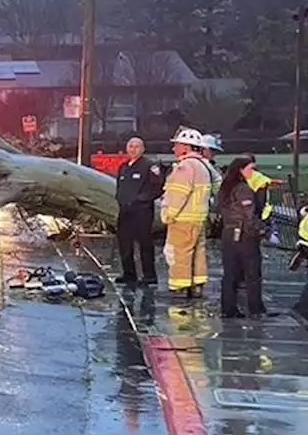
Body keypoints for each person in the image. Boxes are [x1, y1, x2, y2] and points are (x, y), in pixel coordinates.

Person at [215, 156, 272, 318]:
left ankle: (228, 308)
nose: (252, 172)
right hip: (244, 235)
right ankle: (256, 309)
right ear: (241, 170)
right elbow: (249, 216)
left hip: (228, 233)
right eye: (250, 169)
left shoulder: (225, 188)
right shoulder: (243, 189)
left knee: (230, 273)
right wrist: (263, 231)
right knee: (252, 273)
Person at [160, 127, 213, 299]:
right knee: (198, 253)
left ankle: (179, 288)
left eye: (176, 145)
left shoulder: (185, 167)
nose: (174, 148)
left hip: (183, 219)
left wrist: (169, 214)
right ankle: (197, 286)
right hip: (199, 218)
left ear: (185, 147)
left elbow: (178, 194)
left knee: (179, 253)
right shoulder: (204, 166)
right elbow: (218, 184)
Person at [114, 135, 164, 285]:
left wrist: (141, 199)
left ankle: (149, 275)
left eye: (137, 146)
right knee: (124, 243)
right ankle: (129, 273)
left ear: (143, 149)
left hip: (142, 211)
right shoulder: (123, 167)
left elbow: (158, 186)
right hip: (125, 210)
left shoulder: (150, 165)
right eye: (130, 146)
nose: (133, 149)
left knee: (145, 243)